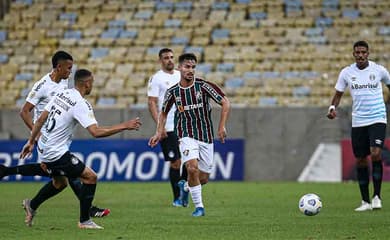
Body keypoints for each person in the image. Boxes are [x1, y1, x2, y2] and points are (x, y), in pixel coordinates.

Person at [19, 69, 142, 229]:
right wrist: (124, 126)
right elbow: (95, 132)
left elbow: (41, 118)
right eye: (92, 82)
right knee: (90, 177)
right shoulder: (80, 103)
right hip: (56, 153)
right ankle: (85, 221)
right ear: (87, 83)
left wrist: (31, 141)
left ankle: (32, 205)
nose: (93, 85)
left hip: (44, 147)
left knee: (60, 182)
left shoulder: (63, 94)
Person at [0, 51, 110, 218]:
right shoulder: (42, 85)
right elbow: (24, 111)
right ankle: (88, 211)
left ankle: (22, 192)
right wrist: (35, 136)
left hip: (60, 134)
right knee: (71, 172)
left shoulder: (65, 81)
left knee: (59, 181)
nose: (70, 72)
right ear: (58, 67)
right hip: (47, 137)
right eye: (68, 68)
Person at [149, 53, 230, 217]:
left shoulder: (204, 86)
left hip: (206, 137)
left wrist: (221, 127)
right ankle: (199, 207)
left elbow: (225, 102)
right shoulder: (173, 92)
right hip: (185, 135)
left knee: (203, 178)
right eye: (187, 66)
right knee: (191, 168)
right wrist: (159, 131)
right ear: (179, 68)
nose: (190, 70)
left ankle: (185, 187)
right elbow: (163, 113)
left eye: (193, 67)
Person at [327, 40, 390, 211]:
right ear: (353, 54)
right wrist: (332, 108)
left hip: (377, 118)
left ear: (368, 53)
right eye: (357, 52)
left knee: (376, 153)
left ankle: (376, 196)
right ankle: (365, 202)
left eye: (363, 52)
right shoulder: (347, 73)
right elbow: (338, 93)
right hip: (359, 121)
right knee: (361, 159)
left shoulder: (379, 70)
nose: (360, 55)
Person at [147, 48, 188, 207]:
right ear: (160, 60)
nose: (170, 60)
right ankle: (177, 198)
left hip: (184, 125)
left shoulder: (180, 75)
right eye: (166, 58)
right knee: (175, 163)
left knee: (188, 162)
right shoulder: (156, 78)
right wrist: (160, 126)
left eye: (172, 57)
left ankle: (184, 192)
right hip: (168, 126)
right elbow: (152, 102)